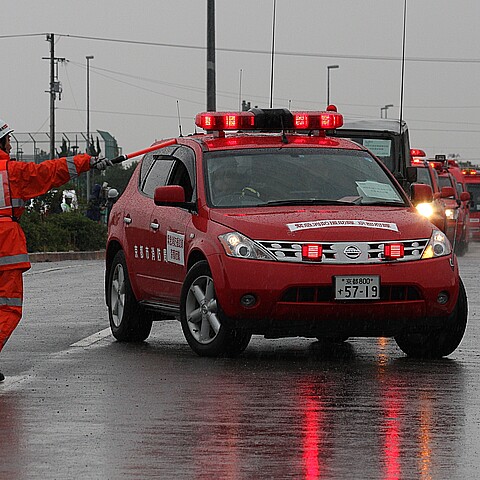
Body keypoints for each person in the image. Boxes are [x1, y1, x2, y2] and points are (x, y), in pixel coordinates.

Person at [0, 118, 111, 381]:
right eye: (8, 139)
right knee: (8, 308)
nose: (11, 143)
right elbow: (49, 172)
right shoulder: (10, 172)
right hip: (5, 244)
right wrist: (87, 161)